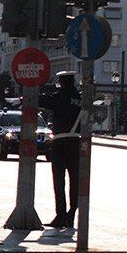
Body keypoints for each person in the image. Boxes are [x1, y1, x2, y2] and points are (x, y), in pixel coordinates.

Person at [39, 71, 82, 228]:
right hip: (76, 142)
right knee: (75, 182)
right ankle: (71, 215)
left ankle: (60, 216)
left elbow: (41, 100)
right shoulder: (80, 98)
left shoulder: (59, 96)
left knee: (59, 182)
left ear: (61, 82)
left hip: (60, 142)